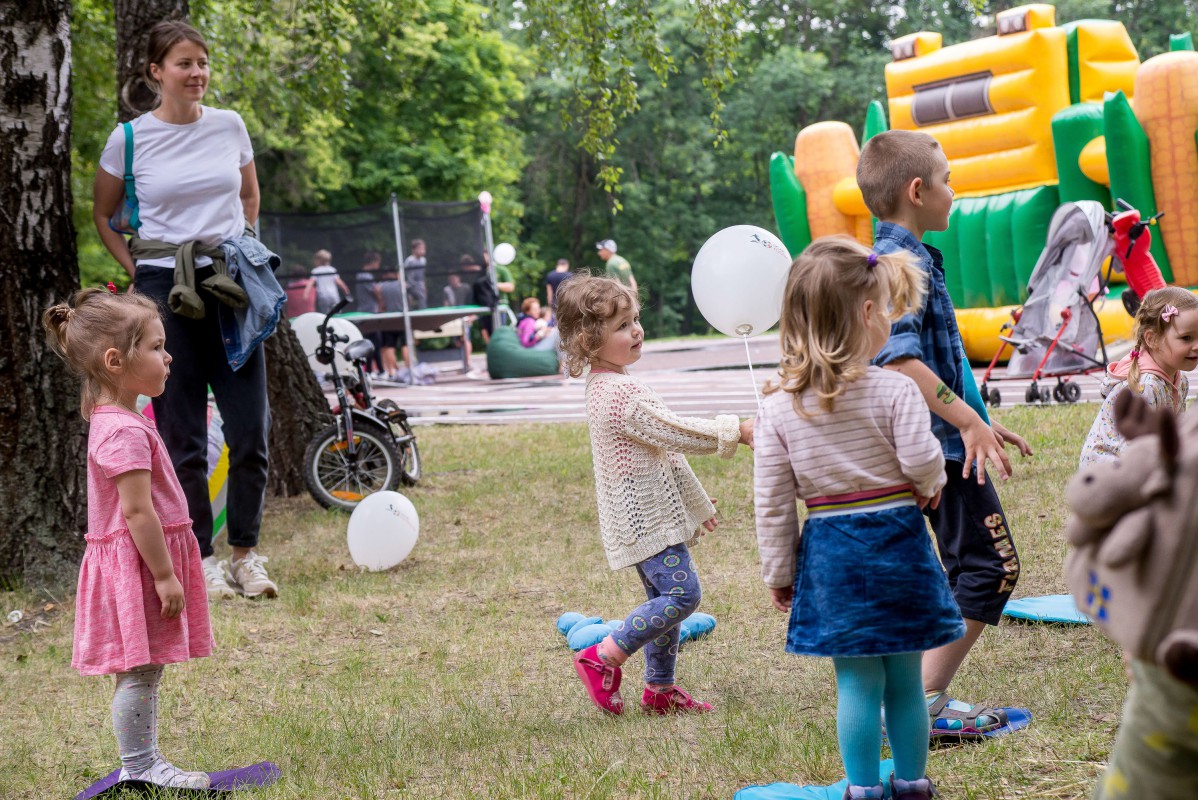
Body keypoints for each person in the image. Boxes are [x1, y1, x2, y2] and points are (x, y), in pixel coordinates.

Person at [754, 237, 963, 800]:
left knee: (856, 682)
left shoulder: (778, 408)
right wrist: (929, 484)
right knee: (905, 679)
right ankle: (913, 784)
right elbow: (923, 460)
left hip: (832, 553)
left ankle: (863, 790)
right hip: (899, 545)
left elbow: (772, 501)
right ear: (868, 313)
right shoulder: (896, 390)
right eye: (888, 310)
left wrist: (780, 572)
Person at [92, 20, 278, 600]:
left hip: (230, 286)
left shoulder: (229, 125)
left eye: (202, 62)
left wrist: (243, 246)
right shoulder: (129, 139)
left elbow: (249, 195)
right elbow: (104, 214)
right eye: (184, 63)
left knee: (250, 428)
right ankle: (201, 558)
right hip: (163, 293)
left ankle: (246, 556)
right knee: (183, 436)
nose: (197, 73)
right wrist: (138, 269)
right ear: (156, 72)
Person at [859, 129, 1033, 736]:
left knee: (964, 568)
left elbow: (940, 360)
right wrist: (965, 422)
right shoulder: (899, 266)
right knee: (991, 567)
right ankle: (923, 702)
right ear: (917, 190)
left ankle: (914, 693)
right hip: (939, 451)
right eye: (947, 181)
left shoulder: (903, 258)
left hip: (943, 441)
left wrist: (981, 417)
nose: (953, 192)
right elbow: (901, 363)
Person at [555, 274, 753, 716]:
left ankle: (660, 690)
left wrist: (694, 503)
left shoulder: (611, 383)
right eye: (622, 326)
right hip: (645, 519)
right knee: (682, 597)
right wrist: (736, 431)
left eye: (635, 319)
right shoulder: (619, 393)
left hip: (648, 515)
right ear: (589, 341)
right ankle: (602, 657)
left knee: (664, 603)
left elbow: (662, 451)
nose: (637, 330)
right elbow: (674, 432)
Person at [43, 288, 214, 790]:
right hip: (141, 565)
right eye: (157, 347)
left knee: (144, 669)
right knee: (139, 669)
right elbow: (138, 512)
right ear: (115, 361)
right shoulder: (123, 431)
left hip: (137, 562)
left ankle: (143, 761)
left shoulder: (119, 419)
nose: (169, 357)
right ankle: (140, 766)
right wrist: (165, 575)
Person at [1080, 286, 1198, 466]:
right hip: (1110, 468)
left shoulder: (1179, 380)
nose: (1196, 345)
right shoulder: (1145, 386)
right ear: (1152, 339)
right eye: (1186, 338)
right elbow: (1134, 446)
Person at [377, 266, 411, 381]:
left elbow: (381, 305)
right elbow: (409, 300)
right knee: (405, 344)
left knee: (389, 345)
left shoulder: (380, 287)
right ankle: (409, 370)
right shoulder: (402, 285)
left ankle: (392, 372)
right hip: (402, 318)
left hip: (388, 319)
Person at [354, 251, 385, 377]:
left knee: (375, 342)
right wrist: (381, 302)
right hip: (369, 313)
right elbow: (375, 291)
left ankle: (378, 371)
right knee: (373, 343)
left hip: (369, 312)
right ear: (373, 262)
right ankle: (371, 371)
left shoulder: (362, 275)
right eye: (378, 263)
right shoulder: (365, 276)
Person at [305, 249, 349, 315]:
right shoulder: (332, 270)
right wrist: (346, 291)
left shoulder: (316, 271)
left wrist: (306, 293)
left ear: (318, 260)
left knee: (325, 314)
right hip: (334, 295)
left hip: (323, 296)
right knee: (337, 313)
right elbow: (339, 282)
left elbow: (310, 283)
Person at [403, 239, 428, 310]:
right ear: (414, 250)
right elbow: (404, 273)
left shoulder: (423, 260)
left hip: (420, 285)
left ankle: (423, 311)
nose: (423, 250)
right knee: (420, 296)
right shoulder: (410, 260)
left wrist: (424, 286)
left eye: (423, 248)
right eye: (420, 248)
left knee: (423, 296)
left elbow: (422, 275)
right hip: (410, 285)